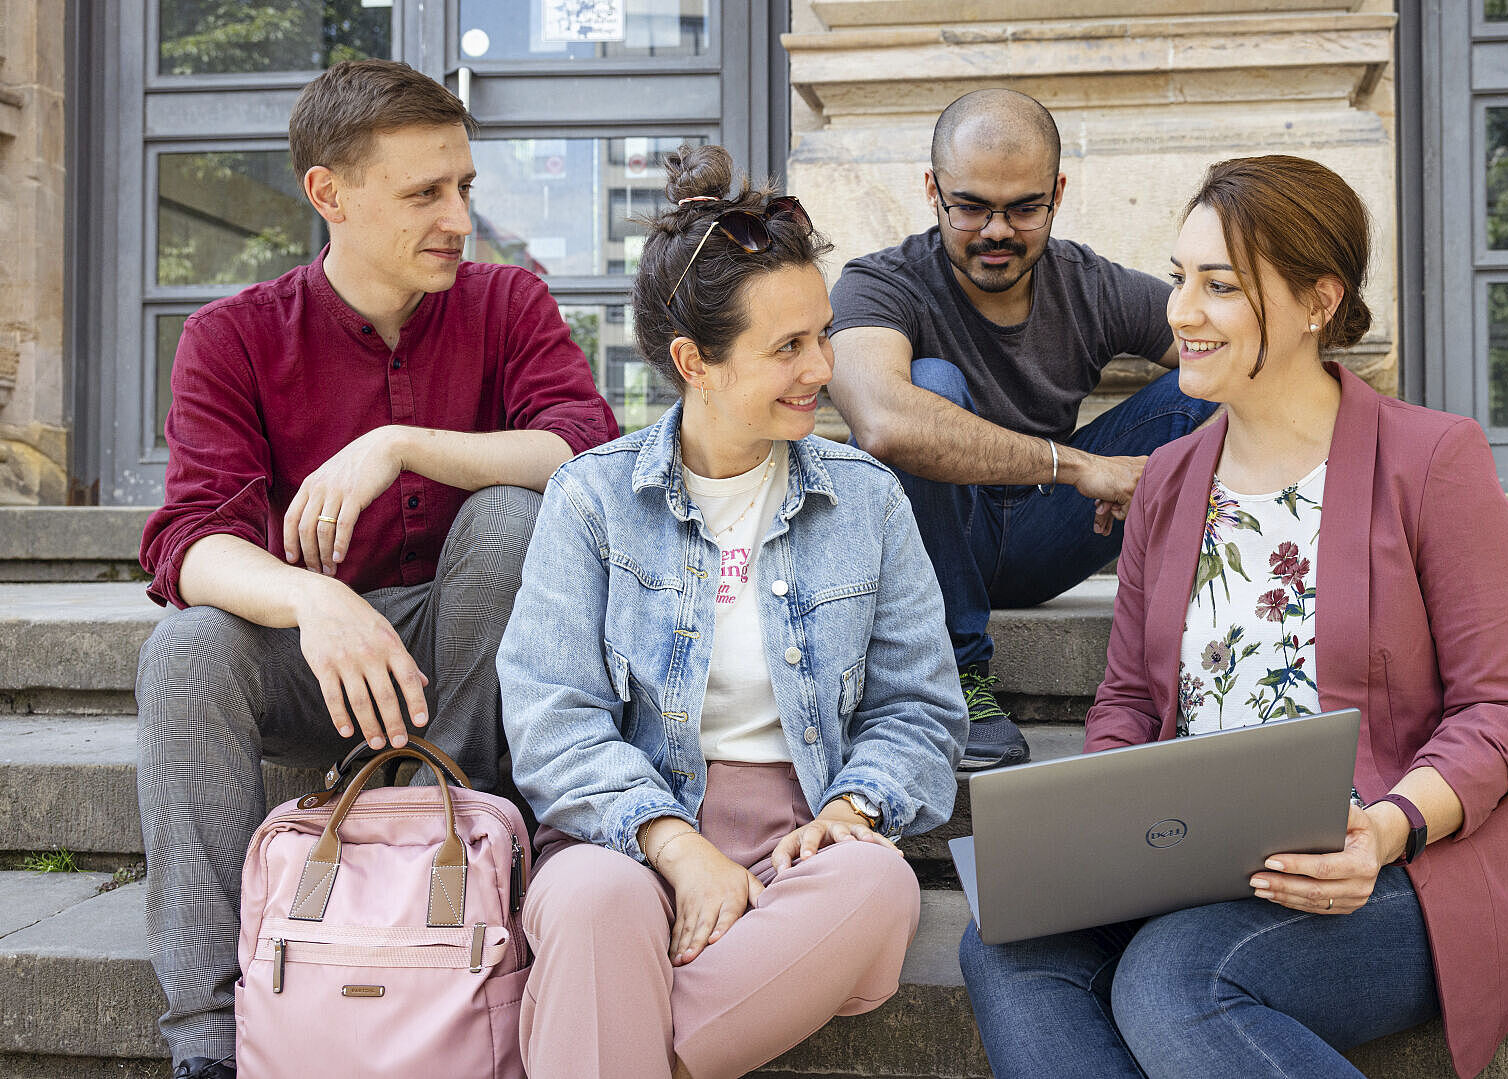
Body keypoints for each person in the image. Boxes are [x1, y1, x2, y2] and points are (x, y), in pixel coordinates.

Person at [958, 156, 1508, 1079]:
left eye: (1221, 286)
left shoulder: (1432, 459)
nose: (1182, 312)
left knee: (1175, 977)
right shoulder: (1166, 481)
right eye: (1178, 279)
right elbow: (1126, 699)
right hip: (1196, 861)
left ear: (1319, 300)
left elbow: (1506, 709)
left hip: (1394, 868)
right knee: (1004, 940)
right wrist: (1096, 840)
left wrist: (1388, 828)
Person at [134, 59, 617, 1079]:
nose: (457, 216)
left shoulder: (508, 305)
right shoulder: (232, 336)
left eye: (464, 188)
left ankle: (448, 858)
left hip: (478, 652)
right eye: (424, 192)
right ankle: (207, 1041)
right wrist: (316, 597)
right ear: (329, 195)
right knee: (185, 649)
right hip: (323, 666)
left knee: (503, 522)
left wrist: (400, 440)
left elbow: (584, 448)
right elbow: (191, 541)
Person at [497, 144, 966, 1079]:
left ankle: (614, 1040)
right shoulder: (591, 500)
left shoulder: (867, 501)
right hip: (623, 833)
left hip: (803, 843)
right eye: (788, 347)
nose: (823, 368)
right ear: (693, 362)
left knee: (876, 880)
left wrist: (853, 803)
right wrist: (672, 843)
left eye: (823, 334)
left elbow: (921, 709)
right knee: (590, 905)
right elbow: (551, 719)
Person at [828, 88, 1216, 771]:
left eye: (1023, 208)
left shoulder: (1091, 285)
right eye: (971, 206)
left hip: (1048, 534)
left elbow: (1247, 360)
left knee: (1211, 391)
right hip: (935, 540)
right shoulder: (879, 284)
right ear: (933, 190)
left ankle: (1209, 641)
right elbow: (884, 422)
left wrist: (1162, 474)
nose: (997, 231)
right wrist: (1081, 468)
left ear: (1057, 194)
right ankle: (953, 676)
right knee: (926, 387)